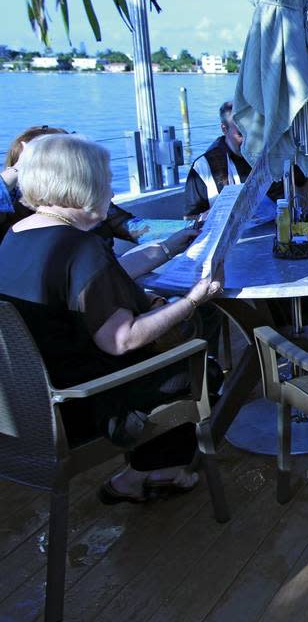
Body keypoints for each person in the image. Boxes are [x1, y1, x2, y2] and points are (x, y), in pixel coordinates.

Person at [0, 134, 224, 503]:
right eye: (105, 180)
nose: (112, 189)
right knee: (198, 362)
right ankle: (152, 471)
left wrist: (169, 246)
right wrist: (193, 299)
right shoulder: (80, 247)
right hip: (83, 405)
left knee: (169, 349)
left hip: (28, 405)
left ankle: (142, 474)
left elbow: (99, 280)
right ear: (83, 184)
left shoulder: (16, 236)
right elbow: (122, 340)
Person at [1, 126, 197, 276]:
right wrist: (18, 169)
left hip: (114, 280)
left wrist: (197, 227)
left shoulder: (88, 201)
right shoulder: (20, 227)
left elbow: (135, 228)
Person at [183, 101, 307, 219]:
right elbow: (190, 218)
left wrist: (305, 210)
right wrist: (213, 216)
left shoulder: (275, 155)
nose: (249, 140)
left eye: (253, 132)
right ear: (224, 129)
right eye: (241, 134)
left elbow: (303, 181)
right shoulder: (203, 167)